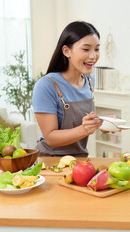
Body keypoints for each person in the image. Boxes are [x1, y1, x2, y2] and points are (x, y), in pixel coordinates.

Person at [32, 21, 103, 157]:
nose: (93, 56)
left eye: (97, 49)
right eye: (86, 49)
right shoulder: (46, 85)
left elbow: (83, 123)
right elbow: (50, 138)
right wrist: (84, 129)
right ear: (66, 51)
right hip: (50, 161)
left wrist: (103, 123)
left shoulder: (89, 80)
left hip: (79, 160)